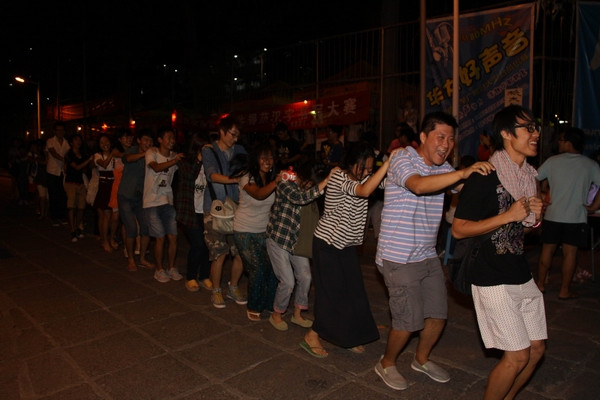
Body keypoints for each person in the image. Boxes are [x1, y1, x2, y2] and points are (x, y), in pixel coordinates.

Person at [374, 112, 494, 390]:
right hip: (398, 256)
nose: (446, 144)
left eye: (451, 139)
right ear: (423, 137)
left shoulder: (443, 168)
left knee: (438, 315)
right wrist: (461, 173)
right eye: (440, 137)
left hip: (427, 253)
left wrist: (475, 176)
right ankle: (386, 363)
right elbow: (417, 185)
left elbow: (461, 186)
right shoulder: (403, 158)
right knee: (407, 321)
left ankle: (421, 359)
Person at [452, 105, 546, 400]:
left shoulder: (528, 177)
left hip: (520, 271)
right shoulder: (485, 175)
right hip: (490, 275)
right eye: (527, 128)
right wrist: (508, 216)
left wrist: (534, 218)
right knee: (517, 355)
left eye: (536, 127)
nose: (535, 134)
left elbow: (520, 230)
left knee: (536, 350)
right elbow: (459, 229)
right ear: (506, 134)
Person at [301, 141, 395, 358]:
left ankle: (349, 336)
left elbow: (387, 182)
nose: (367, 172)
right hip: (327, 244)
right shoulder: (339, 177)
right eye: (363, 168)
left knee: (354, 292)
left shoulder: (363, 178)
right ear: (351, 163)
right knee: (332, 294)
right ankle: (312, 335)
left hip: (346, 246)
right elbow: (364, 191)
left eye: (370, 168)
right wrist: (387, 163)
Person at [266, 160, 333, 331]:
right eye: (311, 182)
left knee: (305, 277)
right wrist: (325, 181)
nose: (311, 186)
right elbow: (299, 199)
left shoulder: (308, 189)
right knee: (288, 281)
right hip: (278, 239)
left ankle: (297, 314)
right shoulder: (285, 183)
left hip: (296, 241)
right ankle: (276, 314)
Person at [536, 127, 600, 299]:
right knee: (570, 254)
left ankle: (540, 284)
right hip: (576, 217)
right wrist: (594, 206)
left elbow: (534, 177)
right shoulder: (590, 164)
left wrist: (538, 197)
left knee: (547, 250)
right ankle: (564, 290)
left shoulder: (553, 161)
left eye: (561, 140)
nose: (559, 143)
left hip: (553, 214)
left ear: (569, 142)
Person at [201, 116, 248, 308]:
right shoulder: (209, 150)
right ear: (221, 131)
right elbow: (212, 175)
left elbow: (247, 170)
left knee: (241, 252)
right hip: (216, 208)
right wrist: (234, 180)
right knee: (219, 253)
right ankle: (216, 290)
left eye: (237, 135)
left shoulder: (240, 150)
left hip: (237, 207)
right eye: (232, 134)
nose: (235, 139)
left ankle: (233, 287)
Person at [233, 143, 281, 321]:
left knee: (272, 269)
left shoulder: (271, 178)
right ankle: (253, 305)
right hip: (244, 230)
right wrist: (276, 182)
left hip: (264, 230)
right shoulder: (246, 177)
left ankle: (268, 303)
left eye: (271, 157)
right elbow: (259, 194)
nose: (268, 161)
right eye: (264, 157)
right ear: (256, 159)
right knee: (257, 269)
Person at [144, 126, 184, 282]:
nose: (172, 141)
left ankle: (171, 267)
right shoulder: (152, 153)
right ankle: (159, 270)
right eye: (168, 137)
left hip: (167, 200)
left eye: (173, 138)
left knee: (173, 236)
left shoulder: (175, 156)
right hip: (152, 202)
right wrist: (174, 160)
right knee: (160, 237)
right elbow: (155, 167)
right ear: (160, 140)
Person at [175, 132, 213, 291]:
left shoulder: (209, 164)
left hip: (206, 210)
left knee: (208, 245)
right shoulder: (184, 162)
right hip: (189, 211)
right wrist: (198, 160)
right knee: (198, 244)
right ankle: (190, 277)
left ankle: (204, 276)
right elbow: (189, 176)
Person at [118, 128, 156, 272]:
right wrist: (145, 154)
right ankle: (131, 259)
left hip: (141, 198)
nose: (148, 143)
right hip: (126, 196)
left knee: (146, 228)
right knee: (131, 229)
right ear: (139, 140)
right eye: (145, 140)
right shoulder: (132, 150)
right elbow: (127, 159)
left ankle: (142, 258)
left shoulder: (153, 154)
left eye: (150, 140)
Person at [64, 134, 93, 242]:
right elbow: (76, 167)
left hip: (81, 183)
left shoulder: (83, 154)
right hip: (71, 183)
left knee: (81, 207)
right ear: (71, 142)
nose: (78, 142)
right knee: (71, 207)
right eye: (76, 140)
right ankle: (73, 230)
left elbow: (87, 168)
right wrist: (88, 160)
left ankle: (77, 227)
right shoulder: (69, 154)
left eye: (80, 140)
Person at [93, 134, 117, 253]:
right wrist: (112, 154)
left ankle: (111, 238)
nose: (105, 144)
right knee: (105, 214)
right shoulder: (97, 155)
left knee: (113, 216)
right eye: (102, 142)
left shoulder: (116, 155)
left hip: (114, 184)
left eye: (106, 141)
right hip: (104, 185)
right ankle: (105, 241)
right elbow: (104, 164)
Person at [45, 122, 70, 226]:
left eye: (62, 130)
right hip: (52, 171)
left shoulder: (66, 143)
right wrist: (64, 160)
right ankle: (54, 217)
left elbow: (68, 155)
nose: (60, 132)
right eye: (58, 130)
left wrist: (67, 163)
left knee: (62, 195)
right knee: (53, 195)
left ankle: (61, 216)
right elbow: (53, 153)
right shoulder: (50, 141)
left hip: (62, 172)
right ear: (54, 131)